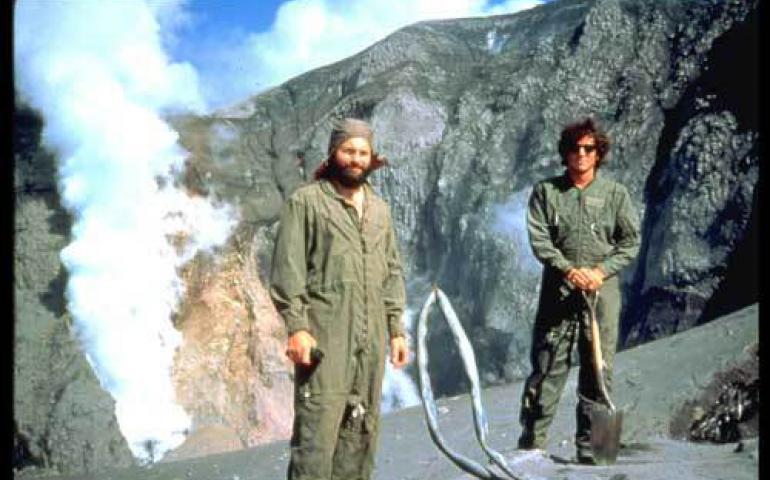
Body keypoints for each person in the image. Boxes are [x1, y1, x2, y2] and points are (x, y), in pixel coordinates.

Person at [269, 117, 409, 480]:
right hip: (326, 339)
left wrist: (396, 330)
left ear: (371, 158)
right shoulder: (306, 202)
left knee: (361, 435)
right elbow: (288, 269)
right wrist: (297, 327)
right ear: (333, 153)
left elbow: (392, 272)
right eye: (348, 151)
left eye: (363, 153)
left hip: (371, 342)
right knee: (315, 440)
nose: (355, 159)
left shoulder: (379, 210)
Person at [516, 117, 640, 465]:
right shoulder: (547, 192)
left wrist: (600, 271)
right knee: (547, 366)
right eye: (574, 148)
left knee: (599, 368)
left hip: (602, 293)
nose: (581, 154)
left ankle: (597, 452)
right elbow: (540, 238)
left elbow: (630, 242)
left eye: (589, 148)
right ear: (565, 153)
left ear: (599, 153)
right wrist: (569, 269)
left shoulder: (615, 194)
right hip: (559, 291)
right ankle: (531, 445)